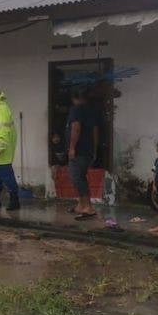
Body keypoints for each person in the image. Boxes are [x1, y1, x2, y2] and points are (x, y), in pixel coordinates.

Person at [67, 88, 98, 220]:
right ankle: (81, 204)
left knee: (77, 178)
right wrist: (94, 149)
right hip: (88, 150)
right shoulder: (91, 110)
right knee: (80, 177)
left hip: (79, 151)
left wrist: (72, 147)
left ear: (75, 98)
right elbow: (96, 131)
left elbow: (76, 128)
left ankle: (88, 207)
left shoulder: (77, 110)